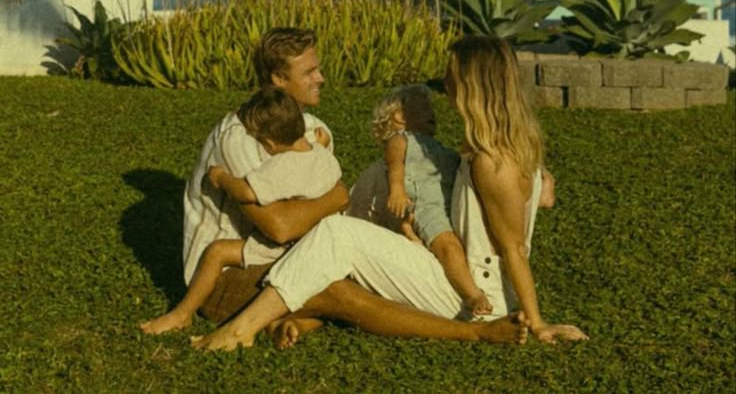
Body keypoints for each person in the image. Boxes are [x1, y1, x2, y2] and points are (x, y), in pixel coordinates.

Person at [191, 36, 588, 351]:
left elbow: (514, 249)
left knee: (338, 235)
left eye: (451, 78)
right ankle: (291, 319)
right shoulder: (506, 149)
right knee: (350, 240)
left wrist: (537, 322)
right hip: (460, 274)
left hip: (474, 294)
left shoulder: (492, 162)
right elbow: (534, 198)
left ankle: (242, 328)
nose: (445, 86)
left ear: (472, 85)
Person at [141, 87, 342, 334]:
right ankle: (300, 322)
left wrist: (221, 177)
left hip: (284, 246)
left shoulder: (282, 167)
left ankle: (182, 313)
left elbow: (247, 191)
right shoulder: (324, 157)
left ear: (269, 143)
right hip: (312, 238)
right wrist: (320, 144)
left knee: (217, 252)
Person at [182, 27, 349, 321]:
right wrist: (336, 197)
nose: (320, 78)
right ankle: (455, 332)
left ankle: (291, 322)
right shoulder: (240, 137)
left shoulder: (314, 130)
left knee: (360, 266)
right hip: (225, 277)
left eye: (318, 69)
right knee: (340, 290)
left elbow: (317, 215)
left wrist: (330, 202)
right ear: (279, 79)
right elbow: (280, 227)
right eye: (309, 72)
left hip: (287, 255)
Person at [371, 83, 491, 317]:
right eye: (425, 108)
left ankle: (414, 238)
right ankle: (472, 295)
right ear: (399, 116)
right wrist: (397, 188)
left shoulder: (436, 147)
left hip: (452, 203)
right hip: (428, 205)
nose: (432, 114)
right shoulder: (402, 139)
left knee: (464, 244)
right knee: (449, 246)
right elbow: (395, 162)